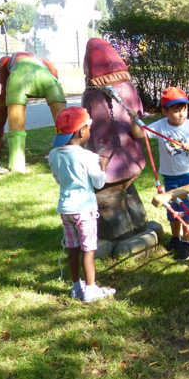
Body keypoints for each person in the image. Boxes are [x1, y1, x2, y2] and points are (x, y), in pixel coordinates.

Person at [48, 106, 115, 302]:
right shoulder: (87, 157)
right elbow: (99, 183)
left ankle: (76, 286)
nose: (89, 131)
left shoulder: (53, 155)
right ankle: (91, 289)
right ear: (80, 131)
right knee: (88, 250)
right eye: (88, 128)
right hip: (84, 210)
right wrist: (102, 166)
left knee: (73, 248)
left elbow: (58, 179)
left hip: (65, 209)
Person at [140, 87, 189, 260]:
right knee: (173, 210)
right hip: (170, 176)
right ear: (165, 111)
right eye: (176, 110)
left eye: (184, 109)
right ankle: (176, 238)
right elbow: (139, 132)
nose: (181, 114)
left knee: (188, 210)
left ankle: (187, 241)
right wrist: (135, 117)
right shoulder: (160, 126)